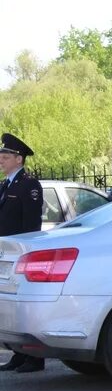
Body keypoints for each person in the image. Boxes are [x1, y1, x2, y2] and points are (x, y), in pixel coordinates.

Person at [0, 133, 45, 373]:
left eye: (5, 156)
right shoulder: (6, 185)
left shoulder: (29, 185)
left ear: (19, 159)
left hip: (20, 253)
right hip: (5, 255)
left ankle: (35, 358)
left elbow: (31, 225)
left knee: (24, 306)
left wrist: (27, 253)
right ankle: (18, 353)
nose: (1, 160)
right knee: (10, 307)